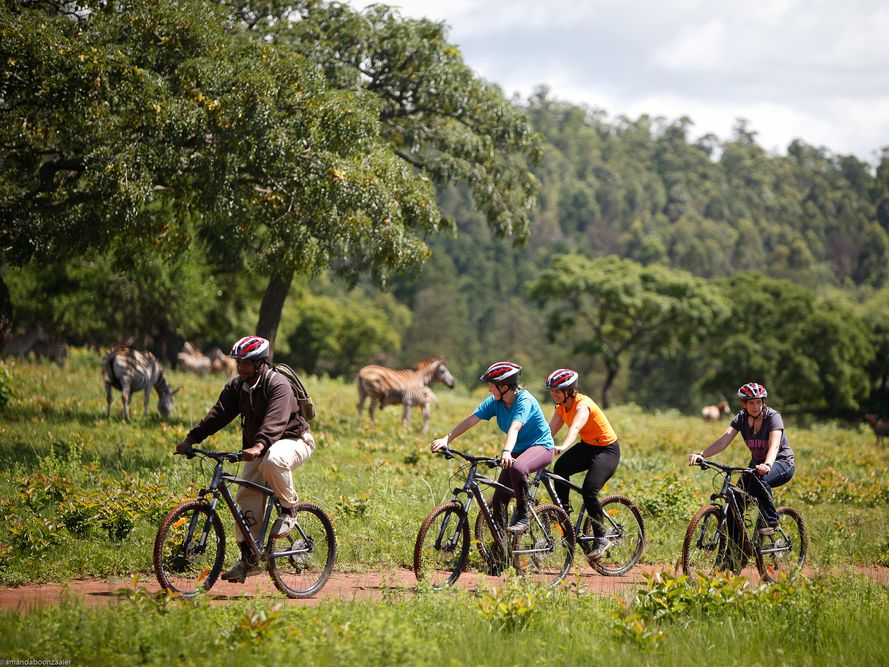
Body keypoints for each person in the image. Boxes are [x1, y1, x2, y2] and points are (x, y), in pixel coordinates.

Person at [175, 336, 315, 582]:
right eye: (238, 362)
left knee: (273, 460)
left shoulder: (278, 384)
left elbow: (275, 420)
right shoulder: (237, 386)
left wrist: (259, 444)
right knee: (246, 496)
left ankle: (289, 509)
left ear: (261, 363)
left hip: (294, 440)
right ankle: (249, 559)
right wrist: (191, 439)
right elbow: (218, 414)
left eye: (246, 363)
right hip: (259, 447)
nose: (241, 367)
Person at [430, 361, 554, 534]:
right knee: (499, 501)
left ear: (504, 386)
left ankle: (524, 517)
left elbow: (515, 428)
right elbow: (471, 420)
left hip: (541, 447)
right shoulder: (496, 401)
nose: (489, 389)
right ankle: (501, 547)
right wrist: (446, 439)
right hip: (516, 449)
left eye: (491, 385)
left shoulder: (524, 401)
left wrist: (506, 452)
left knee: (518, 468)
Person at [688, 382, 795, 536]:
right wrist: (702, 454)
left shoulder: (773, 417)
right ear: (744, 404)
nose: (756, 406)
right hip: (756, 467)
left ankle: (772, 521)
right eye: (751, 403)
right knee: (735, 500)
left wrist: (767, 464)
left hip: (782, 463)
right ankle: (735, 550)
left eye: (758, 402)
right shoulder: (741, 418)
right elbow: (723, 441)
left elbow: (775, 445)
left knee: (759, 480)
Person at [545, 368, 621, 560]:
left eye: (557, 391)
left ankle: (601, 537)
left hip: (607, 451)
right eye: (552, 391)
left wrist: (563, 446)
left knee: (589, 491)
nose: (553, 395)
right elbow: (547, 433)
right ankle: (564, 513)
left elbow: (576, 427)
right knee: (560, 468)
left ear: (569, 391)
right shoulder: (561, 407)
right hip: (587, 447)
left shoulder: (583, 406)